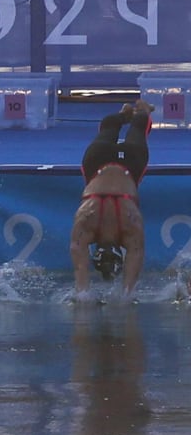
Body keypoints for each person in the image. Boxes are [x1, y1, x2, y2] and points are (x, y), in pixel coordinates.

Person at [70, 100, 152, 297]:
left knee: (138, 128)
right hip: (97, 162)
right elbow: (80, 269)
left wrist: (83, 294)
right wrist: (83, 291)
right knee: (108, 126)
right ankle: (127, 114)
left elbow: (127, 291)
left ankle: (140, 112)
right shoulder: (87, 224)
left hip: (129, 166)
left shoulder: (129, 231)